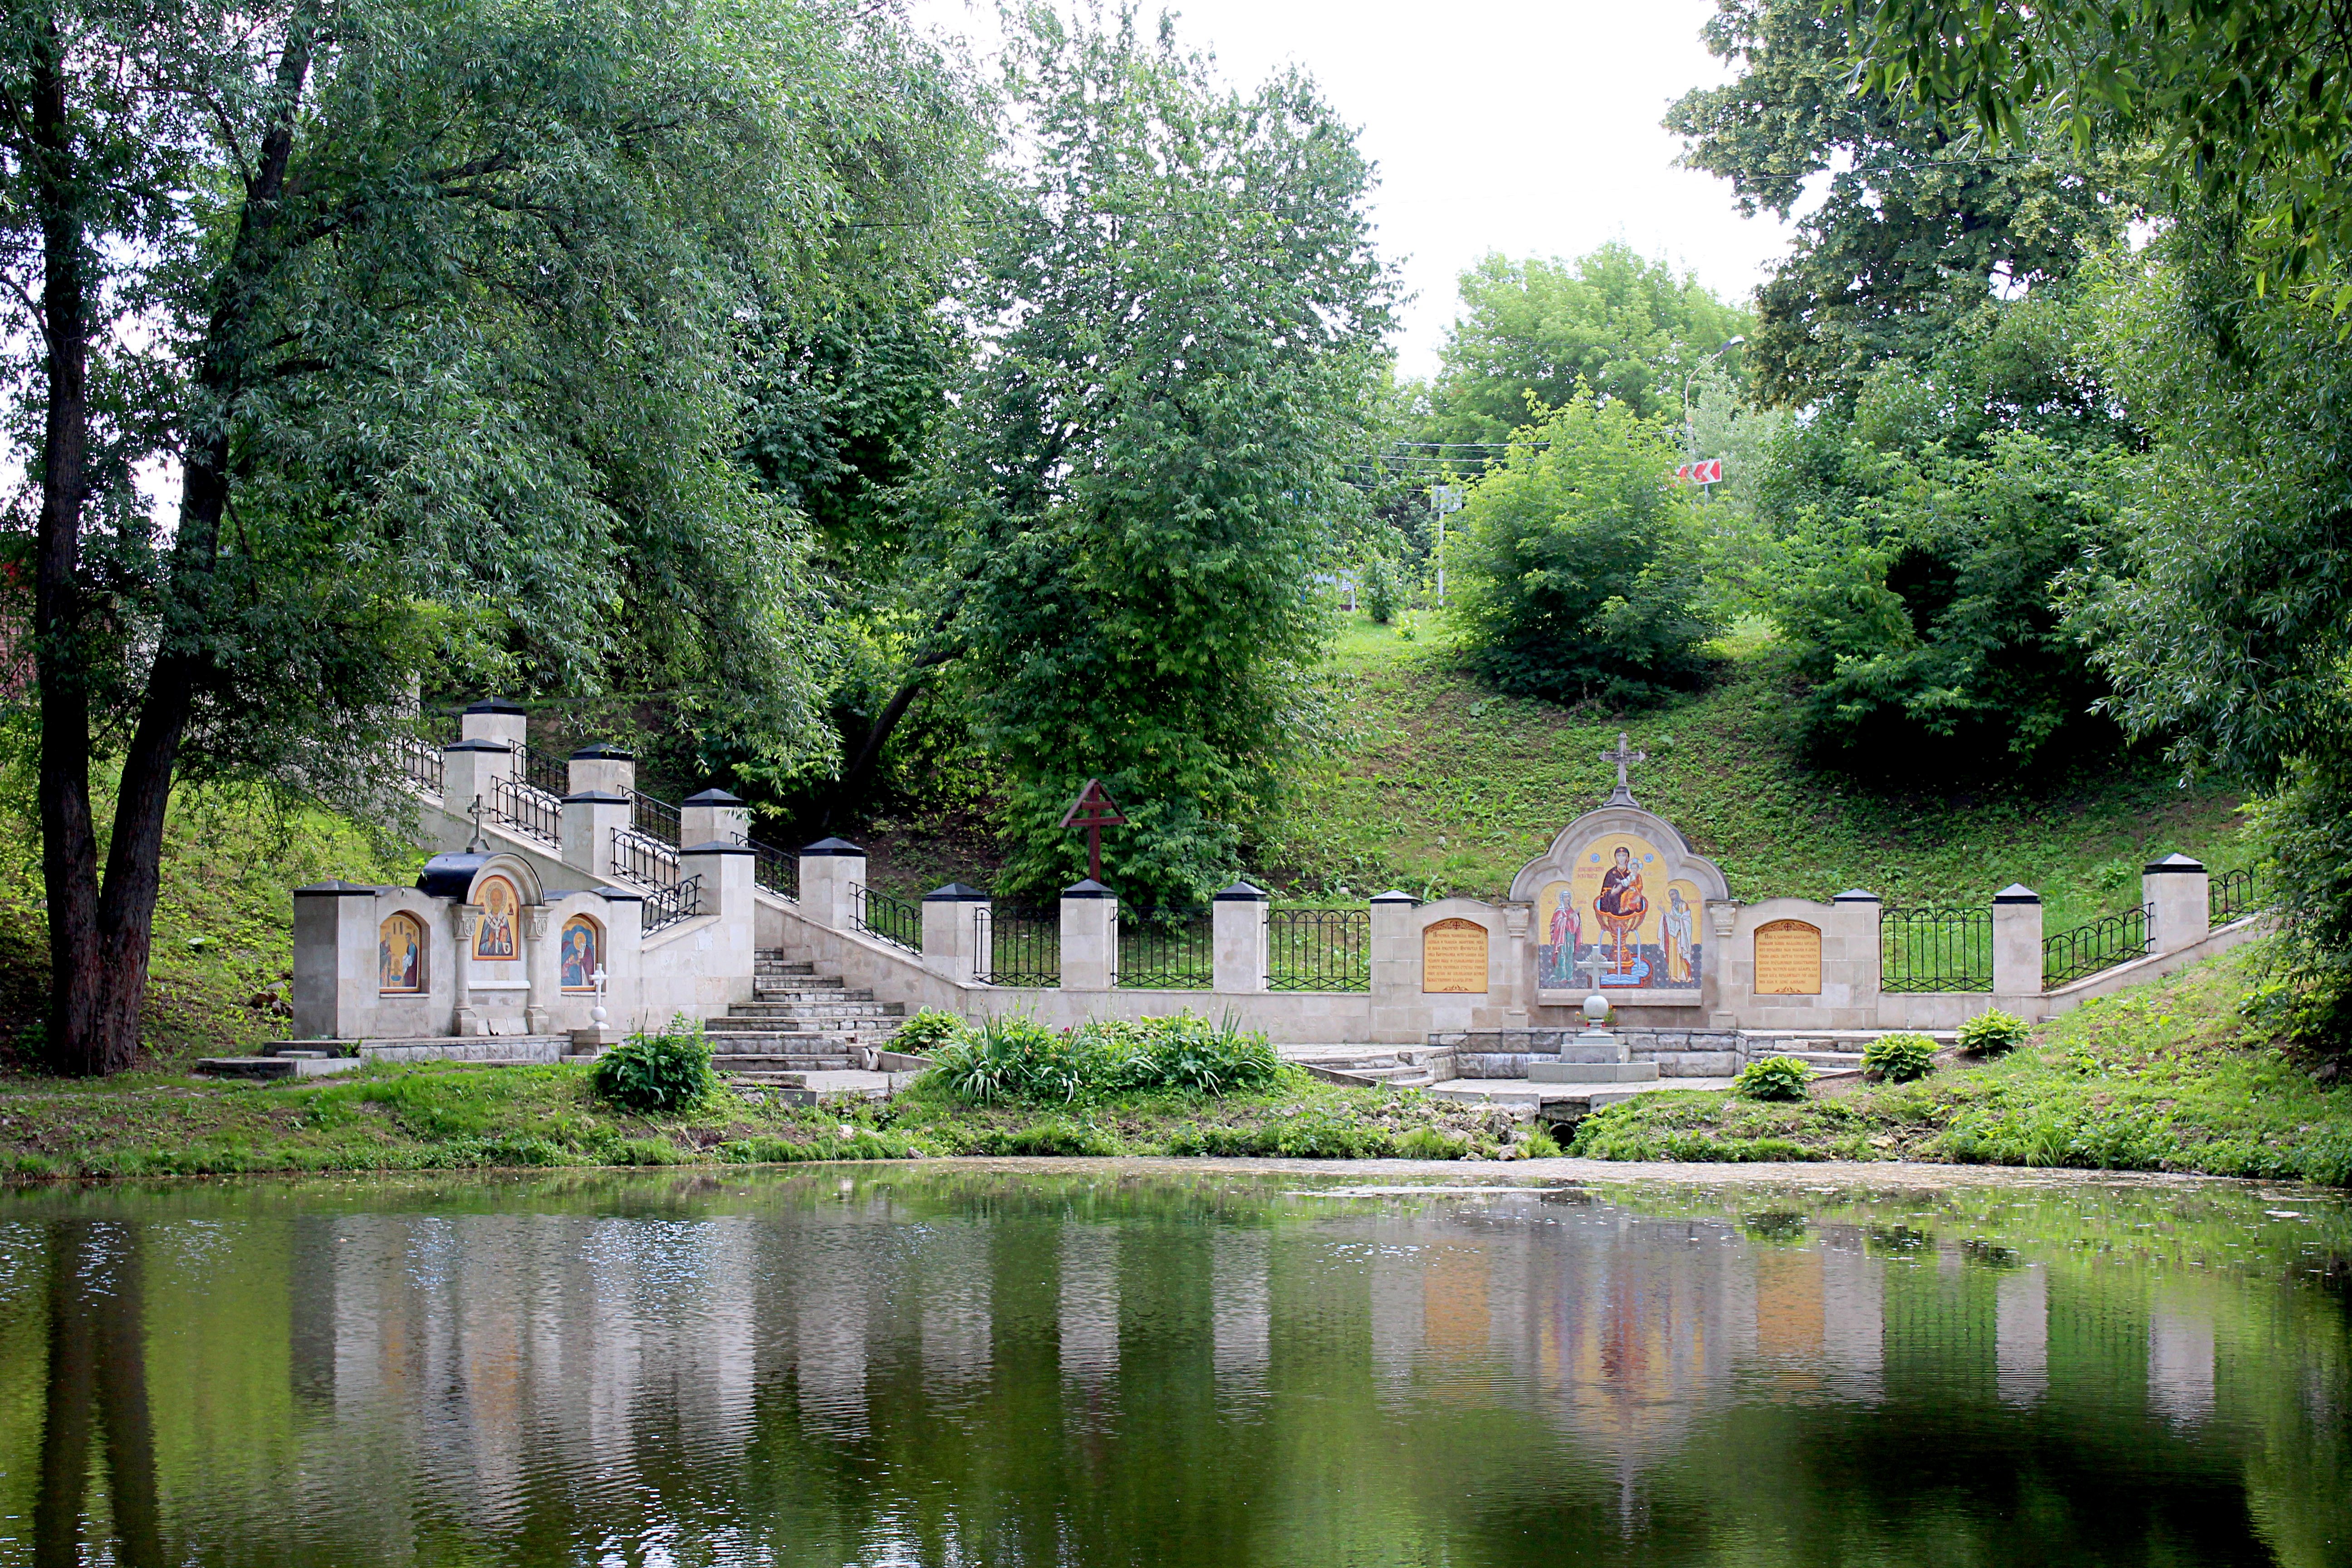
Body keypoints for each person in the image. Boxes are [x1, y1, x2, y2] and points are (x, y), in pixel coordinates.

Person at [1592, 846, 1648, 971]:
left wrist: (1638, 896)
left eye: (1624, 856)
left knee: (1631, 898)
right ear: (1615, 858)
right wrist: (1613, 892)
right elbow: (1604, 893)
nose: (1621, 858)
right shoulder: (1611, 874)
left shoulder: (1633, 873)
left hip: (1630, 911)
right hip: (1613, 909)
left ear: (1628, 858)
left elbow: (1639, 887)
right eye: (1619, 856)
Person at [1663, 887, 1695, 985]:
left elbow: (1687, 919)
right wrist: (1665, 916)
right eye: (1670, 895)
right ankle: (1674, 975)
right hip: (1674, 935)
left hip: (1682, 935)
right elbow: (1671, 919)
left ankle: (1686, 976)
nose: (1672, 897)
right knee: (1674, 955)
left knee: (1682, 954)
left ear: (1677, 894)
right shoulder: (1673, 907)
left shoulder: (1683, 905)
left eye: (1673, 894)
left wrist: (1679, 920)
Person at [561, 922, 596, 990]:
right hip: (574, 971)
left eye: (581, 941)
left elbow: (587, 963)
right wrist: (575, 960)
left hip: (581, 972)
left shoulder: (587, 951)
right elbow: (569, 962)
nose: (580, 943)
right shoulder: (572, 951)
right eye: (578, 941)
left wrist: (581, 960)